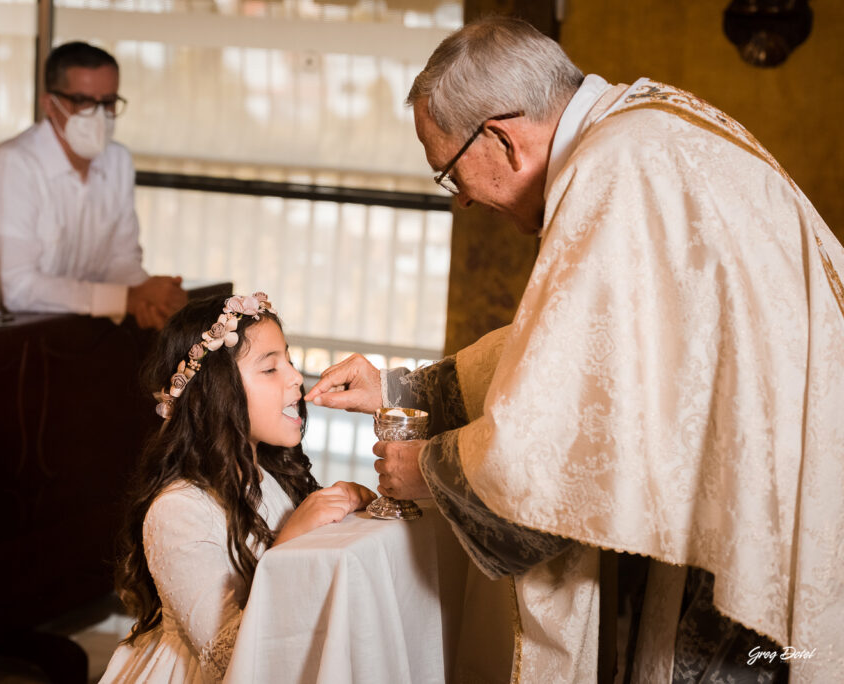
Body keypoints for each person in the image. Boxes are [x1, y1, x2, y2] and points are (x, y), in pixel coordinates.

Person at [305, 15, 844, 684]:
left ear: (500, 139)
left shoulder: (617, 166)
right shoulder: (644, 128)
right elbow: (590, 353)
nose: (464, 203)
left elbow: (556, 431)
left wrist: (434, 473)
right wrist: (401, 392)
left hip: (755, 521)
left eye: (449, 174)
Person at [101, 292, 375, 683]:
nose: (296, 377)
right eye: (270, 369)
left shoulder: (275, 478)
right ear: (216, 391)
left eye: (291, 362)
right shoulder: (178, 511)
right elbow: (226, 658)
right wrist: (292, 540)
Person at [0, 41, 186, 330]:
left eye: (107, 102)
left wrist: (155, 296)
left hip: (53, 337)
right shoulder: (11, 165)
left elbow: (120, 260)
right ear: (50, 105)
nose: (98, 115)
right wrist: (127, 299)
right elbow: (19, 289)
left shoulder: (118, 161)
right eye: (82, 101)